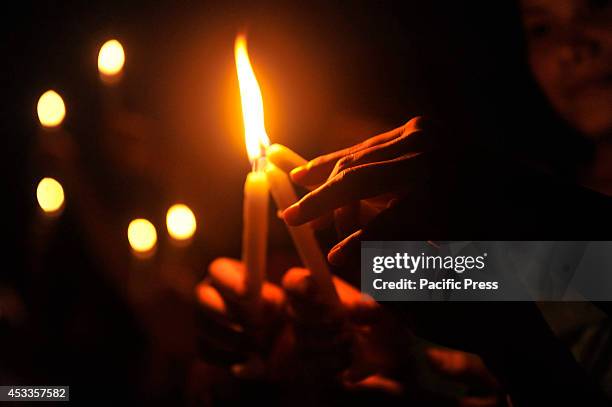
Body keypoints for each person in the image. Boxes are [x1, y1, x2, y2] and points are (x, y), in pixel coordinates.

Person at [196, 0, 612, 405]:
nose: (571, 47)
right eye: (541, 27)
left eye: (597, 7)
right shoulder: (561, 219)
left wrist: (511, 342)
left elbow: (516, 325)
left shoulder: (531, 205)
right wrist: (390, 347)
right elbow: (504, 299)